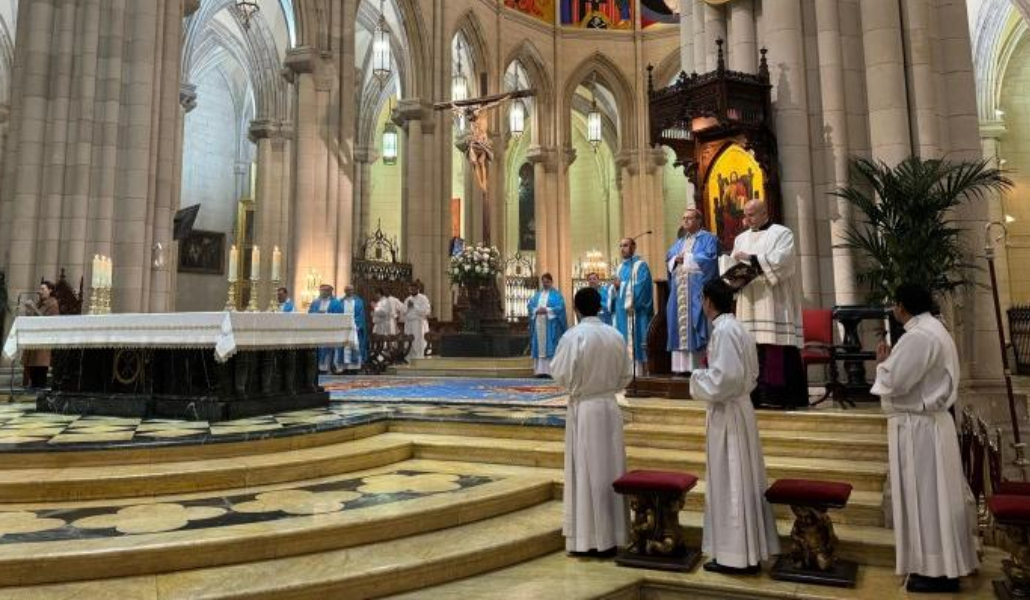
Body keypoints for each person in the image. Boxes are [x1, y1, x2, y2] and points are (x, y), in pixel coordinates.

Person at [871, 283, 977, 593]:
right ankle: (940, 566)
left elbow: (898, 380)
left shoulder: (918, 336)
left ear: (902, 306)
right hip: (931, 425)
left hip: (921, 430)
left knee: (927, 499)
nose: (893, 310)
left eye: (895, 304)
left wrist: (882, 365)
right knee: (936, 498)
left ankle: (935, 570)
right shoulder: (936, 328)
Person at [690, 279, 780, 574]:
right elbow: (748, 373)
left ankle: (735, 555)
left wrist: (696, 379)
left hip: (728, 411)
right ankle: (744, 549)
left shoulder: (725, 331)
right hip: (739, 408)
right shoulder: (737, 327)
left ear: (708, 301)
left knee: (731, 479)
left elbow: (724, 379)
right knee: (738, 476)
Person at [551, 286, 632, 557]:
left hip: (585, 408)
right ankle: (614, 534)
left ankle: (589, 539)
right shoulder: (615, 335)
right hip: (610, 406)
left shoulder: (573, 337)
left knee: (587, 470)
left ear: (575, 308)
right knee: (611, 468)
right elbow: (626, 376)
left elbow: (560, 374)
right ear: (600, 307)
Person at [730, 200, 806, 409]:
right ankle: (753, 397)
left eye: (752, 214)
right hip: (748, 300)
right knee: (750, 346)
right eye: (745, 215)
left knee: (776, 344)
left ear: (765, 212)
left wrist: (752, 259)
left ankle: (779, 397)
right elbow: (733, 265)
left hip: (773, 301)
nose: (748, 219)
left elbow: (783, 261)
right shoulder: (740, 238)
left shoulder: (782, 233)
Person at [666, 209, 719, 375]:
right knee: (678, 323)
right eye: (684, 218)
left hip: (697, 289)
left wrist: (687, 258)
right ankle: (681, 369)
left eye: (689, 218)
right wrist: (675, 259)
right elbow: (669, 258)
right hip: (679, 290)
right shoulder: (679, 242)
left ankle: (699, 367)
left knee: (697, 323)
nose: (685, 221)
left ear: (699, 220)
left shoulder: (709, 239)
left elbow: (711, 260)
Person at [612, 238, 653, 374]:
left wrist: (621, 286)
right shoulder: (619, 267)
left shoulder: (641, 266)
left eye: (625, 245)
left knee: (637, 340)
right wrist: (614, 288)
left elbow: (642, 288)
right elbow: (614, 290)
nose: (622, 248)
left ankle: (639, 372)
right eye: (621, 246)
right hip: (622, 314)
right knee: (623, 338)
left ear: (634, 247)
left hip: (636, 313)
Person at [21, 280, 60, 388]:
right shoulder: (38, 303)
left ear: (50, 290)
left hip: (43, 342)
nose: (40, 291)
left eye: (43, 289)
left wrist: (33, 308)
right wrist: (29, 312)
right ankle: (33, 388)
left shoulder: (53, 303)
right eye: (40, 289)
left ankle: (40, 393)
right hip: (33, 340)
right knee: (32, 369)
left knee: (40, 369)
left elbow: (49, 323)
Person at [527, 273, 567, 378]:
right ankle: (539, 371)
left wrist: (548, 310)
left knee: (550, 346)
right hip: (539, 324)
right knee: (539, 347)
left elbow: (561, 307)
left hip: (550, 324)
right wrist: (536, 310)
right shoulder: (537, 295)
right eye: (543, 282)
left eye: (547, 282)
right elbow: (530, 306)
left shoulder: (557, 295)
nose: (545, 284)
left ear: (551, 282)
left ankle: (550, 371)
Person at [308, 284, 344, 374]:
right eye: (321, 290)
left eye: (325, 290)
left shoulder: (336, 303)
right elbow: (310, 313)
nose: (322, 292)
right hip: (317, 330)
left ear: (330, 291)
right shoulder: (315, 302)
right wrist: (317, 313)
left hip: (330, 331)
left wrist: (326, 314)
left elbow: (339, 316)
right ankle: (316, 367)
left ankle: (327, 368)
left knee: (328, 349)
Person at [339, 286, 367, 374]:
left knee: (355, 346)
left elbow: (360, 315)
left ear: (353, 291)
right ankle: (345, 367)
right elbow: (339, 314)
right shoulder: (340, 302)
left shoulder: (359, 302)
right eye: (347, 290)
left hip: (355, 328)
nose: (349, 291)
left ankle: (355, 367)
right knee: (344, 347)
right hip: (344, 328)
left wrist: (357, 325)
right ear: (345, 291)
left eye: (351, 290)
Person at [403, 283, 431, 360]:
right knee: (409, 342)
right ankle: (409, 359)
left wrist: (414, 306)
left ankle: (419, 359)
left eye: (413, 289)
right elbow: (403, 312)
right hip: (409, 324)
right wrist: (408, 308)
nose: (412, 290)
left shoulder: (423, 298)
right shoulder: (407, 299)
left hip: (418, 324)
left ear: (418, 289)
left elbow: (427, 312)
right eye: (410, 289)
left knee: (418, 342)